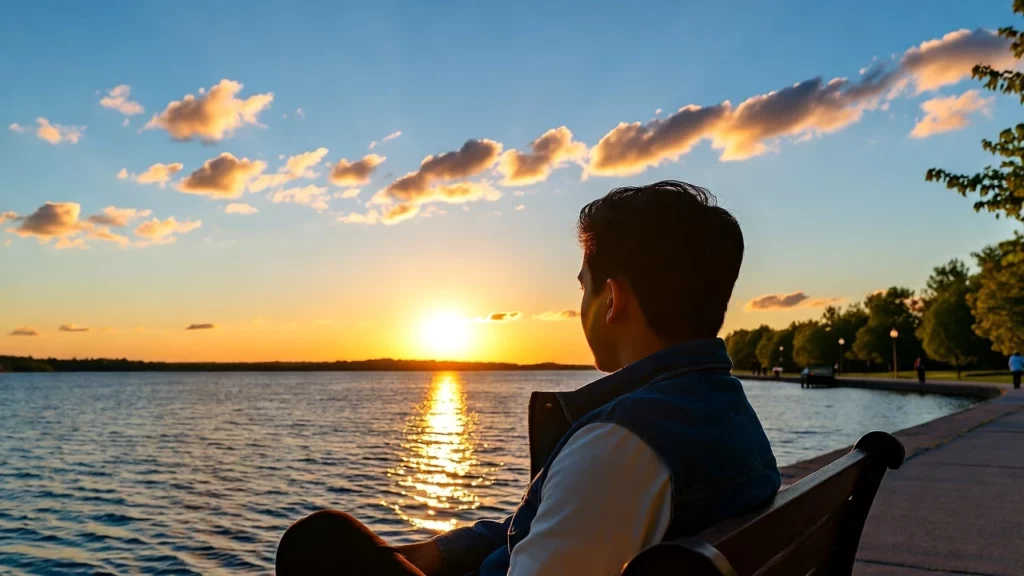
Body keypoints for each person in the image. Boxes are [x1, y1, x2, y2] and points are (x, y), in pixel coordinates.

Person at [276, 181, 782, 576]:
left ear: (614, 299)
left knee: (320, 543)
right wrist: (439, 555)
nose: (578, 305)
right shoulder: (723, 410)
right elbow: (555, 528)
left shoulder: (619, 446)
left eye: (584, 288)